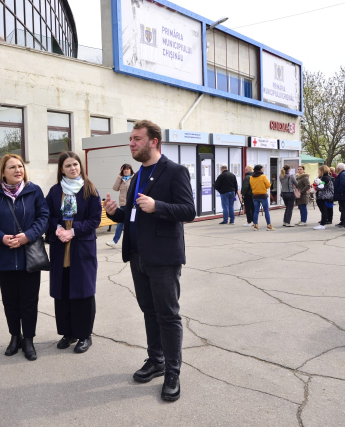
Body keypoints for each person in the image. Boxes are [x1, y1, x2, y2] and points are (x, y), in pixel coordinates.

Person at [105, 119, 195, 402]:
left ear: (153, 141)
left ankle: (172, 370)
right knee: (149, 311)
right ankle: (155, 360)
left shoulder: (174, 171)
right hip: (137, 255)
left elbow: (189, 211)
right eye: (130, 139)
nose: (131, 143)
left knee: (167, 314)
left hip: (163, 256)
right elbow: (133, 214)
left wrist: (159, 207)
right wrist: (114, 212)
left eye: (136, 139)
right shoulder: (138, 175)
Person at [0, 154, 49, 361]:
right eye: (12, 167)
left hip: (29, 255)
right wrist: (1, 238)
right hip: (4, 255)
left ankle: (28, 339)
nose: (18, 170)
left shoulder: (34, 190)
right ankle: (14, 336)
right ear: (3, 172)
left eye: (20, 166)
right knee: (9, 301)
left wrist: (28, 236)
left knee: (29, 300)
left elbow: (43, 217)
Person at [46, 152, 102, 354]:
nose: (72, 168)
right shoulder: (54, 191)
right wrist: (58, 228)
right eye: (68, 165)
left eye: (75, 164)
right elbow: (48, 215)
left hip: (81, 246)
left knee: (83, 292)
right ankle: (67, 333)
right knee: (63, 292)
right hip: (61, 246)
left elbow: (95, 219)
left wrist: (74, 230)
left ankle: (85, 335)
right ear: (61, 169)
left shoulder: (89, 189)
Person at [106, 164, 133, 247]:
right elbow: (115, 188)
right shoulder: (121, 180)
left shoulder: (134, 178)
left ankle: (132, 241)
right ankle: (114, 241)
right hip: (123, 205)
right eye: (124, 169)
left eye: (128, 169)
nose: (126, 170)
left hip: (132, 205)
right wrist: (119, 177)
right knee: (120, 223)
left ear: (131, 170)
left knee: (132, 223)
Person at [250, 165, 275, 231]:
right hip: (263, 195)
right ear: (260, 169)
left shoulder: (251, 177)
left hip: (255, 195)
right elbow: (268, 185)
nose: (263, 169)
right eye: (262, 168)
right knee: (266, 210)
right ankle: (269, 225)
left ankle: (255, 225)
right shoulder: (263, 176)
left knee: (256, 211)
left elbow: (251, 185)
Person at [313, 165, 334, 230]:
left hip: (323, 196)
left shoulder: (325, 178)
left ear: (322, 170)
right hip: (324, 196)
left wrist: (315, 188)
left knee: (323, 210)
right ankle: (323, 222)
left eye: (319, 170)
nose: (318, 172)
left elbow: (322, 186)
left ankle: (322, 224)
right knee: (324, 210)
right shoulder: (326, 177)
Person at [333, 163, 345, 228]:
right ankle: (342, 221)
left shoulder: (343, 174)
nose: (336, 168)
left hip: (343, 194)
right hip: (343, 194)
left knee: (344, 208)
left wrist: (340, 191)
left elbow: (344, 184)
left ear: (339, 168)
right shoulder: (343, 174)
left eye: (337, 167)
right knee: (342, 208)